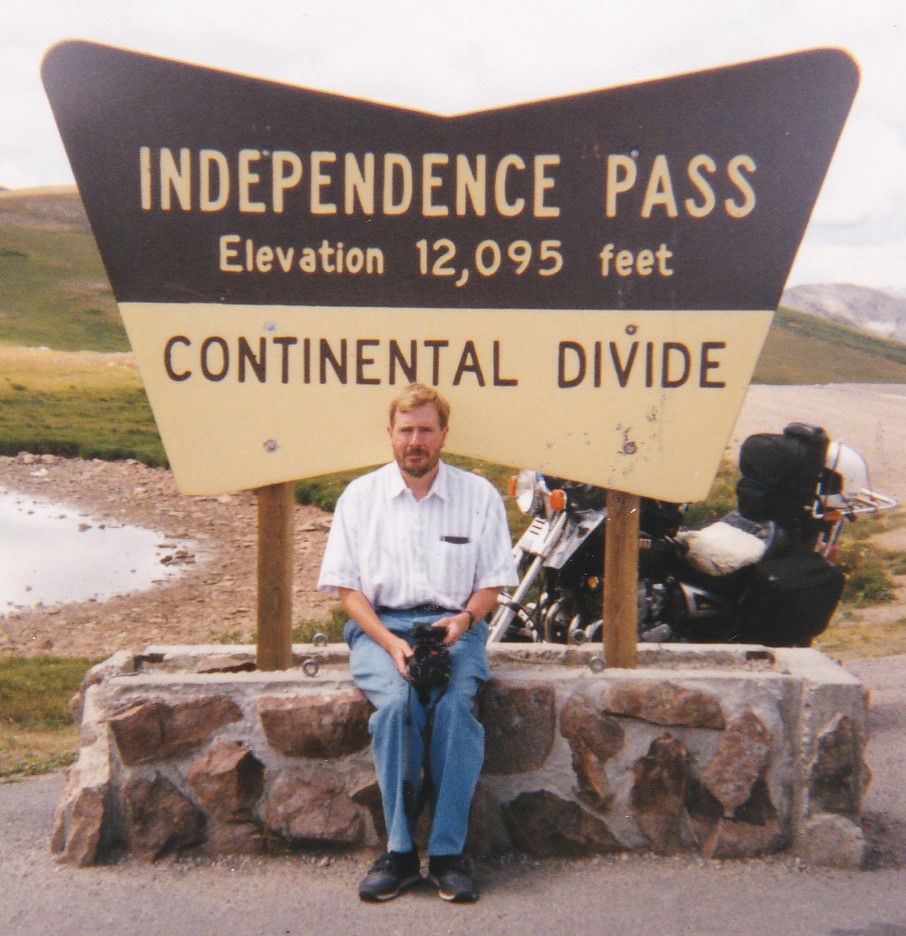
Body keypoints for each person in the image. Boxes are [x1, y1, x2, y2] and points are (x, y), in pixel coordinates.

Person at [318, 383, 517, 903]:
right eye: (406, 430)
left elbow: (493, 582)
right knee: (399, 708)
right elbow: (347, 589)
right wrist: (387, 642)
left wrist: (465, 620)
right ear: (390, 435)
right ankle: (401, 854)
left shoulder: (480, 496)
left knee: (454, 711)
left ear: (443, 435)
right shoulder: (360, 498)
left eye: (426, 430)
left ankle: (449, 854)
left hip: (456, 627)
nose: (415, 440)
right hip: (379, 627)